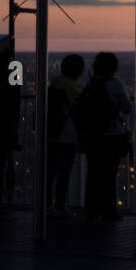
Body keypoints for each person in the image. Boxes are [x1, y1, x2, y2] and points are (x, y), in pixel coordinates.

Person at [79, 52, 131, 221]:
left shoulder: (89, 83)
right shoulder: (116, 84)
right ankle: (109, 210)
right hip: (112, 136)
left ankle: (91, 210)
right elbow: (127, 108)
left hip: (93, 136)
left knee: (93, 174)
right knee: (109, 175)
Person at [47, 54, 85, 217]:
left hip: (51, 133)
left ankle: (46, 206)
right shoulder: (76, 89)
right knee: (64, 174)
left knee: (50, 173)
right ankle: (60, 206)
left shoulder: (53, 86)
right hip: (68, 136)